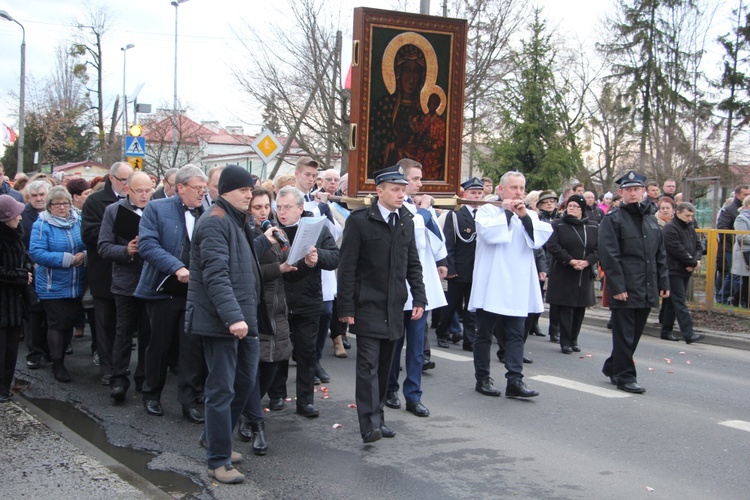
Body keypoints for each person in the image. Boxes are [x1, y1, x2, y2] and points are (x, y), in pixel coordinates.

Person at [186, 165, 276, 484]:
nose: (249, 195)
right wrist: (233, 317)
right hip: (222, 322)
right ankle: (218, 460)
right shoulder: (215, 222)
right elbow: (215, 275)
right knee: (221, 388)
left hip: (244, 320)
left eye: (251, 190)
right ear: (224, 192)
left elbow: (244, 267)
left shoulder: (237, 221)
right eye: (243, 191)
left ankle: (214, 438)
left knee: (242, 383)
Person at [337, 165, 426, 443]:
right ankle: (369, 424)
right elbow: (347, 266)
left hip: (395, 305)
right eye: (396, 190)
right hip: (367, 304)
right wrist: (346, 307)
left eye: (403, 190)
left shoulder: (406, 221)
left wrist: (420, 296)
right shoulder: (360, 220)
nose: (402, 195)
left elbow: (413, 263)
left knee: (387, 367)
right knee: (367, 367)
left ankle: (380, 416)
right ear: (379, 191)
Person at [468, 171, 552, 399]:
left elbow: (540, 239)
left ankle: (515, 380)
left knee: (516, 333)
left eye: (521, 189)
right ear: (500, 190)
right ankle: (482, 378)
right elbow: (490, 234)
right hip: (492, 283)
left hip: (517, 284)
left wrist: (524, 216)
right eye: (513, 188)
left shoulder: (530, 215)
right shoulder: (487, 211)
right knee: (484, 333)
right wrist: (506, 213)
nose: (518, 193)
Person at [135, 164, 207, 422]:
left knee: (191, 348)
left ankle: (189, 402)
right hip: (163, 289)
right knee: (160, 345)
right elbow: (147, 245)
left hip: (195, 291)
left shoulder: (207, 211)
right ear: (180, 188)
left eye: (204, 189)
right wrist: (176, 266)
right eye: (198, 189)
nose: (202, 193)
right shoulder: (156, 208)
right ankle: (151, 394)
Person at [268, 186, 339, 418]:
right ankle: (277, 394)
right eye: (279, 207)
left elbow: (335, 257)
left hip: (308, 299)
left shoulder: (316, 227)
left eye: (287, 207)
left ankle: (305, 401)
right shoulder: (271, 229)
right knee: (279, 350)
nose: (282, 212)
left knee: (307, 353)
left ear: (300, 208)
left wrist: (318, 256)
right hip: (279, 299)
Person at [385, 159, 446, 418]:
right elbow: (407, 228)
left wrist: (443, 262)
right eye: (415, 179)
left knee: (417, 348)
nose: (420, 184)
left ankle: (414, 395)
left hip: (420, 288)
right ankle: (389, 389)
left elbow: (437, 243)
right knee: (394, 345)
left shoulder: (421, 210)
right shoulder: (395, 208)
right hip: (399, 286)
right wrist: (423, 211)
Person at [599, 171, 669, 394]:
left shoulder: (650, 220)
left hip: (646, 286)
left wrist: (663, 282)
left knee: (635, 334)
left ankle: (613, 365)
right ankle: (625, 376)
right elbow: (609, 256)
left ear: (643, 192)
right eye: (628, 190)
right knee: (624, 334)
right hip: (625, 288)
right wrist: (617, 287)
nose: (633, 193)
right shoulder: (613, 220)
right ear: (621, 193)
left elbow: (660, 254)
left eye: (636, 189)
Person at [238, 187, 295, 454]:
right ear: (249, 209)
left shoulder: (276, 230)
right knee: (253, 367)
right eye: (257, 207)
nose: (263, 212)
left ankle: (245, 412)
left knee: (273, 364)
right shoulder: (245, 232)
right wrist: (279, 269)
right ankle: (257, 424)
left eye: (266, 206)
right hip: (257, 307)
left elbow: (287, 262)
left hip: (279, 308)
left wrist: (303, 260)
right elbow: (245, 269)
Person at [98, 172, 154, 402]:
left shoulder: (157, 209)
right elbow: (103, 247)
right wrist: (126, 250)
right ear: (127, 190)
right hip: (125, 282)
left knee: (148, 334)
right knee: (123, 332)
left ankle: (144, 379)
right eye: (139, 191)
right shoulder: (114, 211)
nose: (144, 195)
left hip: (151, 281)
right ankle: (119, 379)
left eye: (148, 190)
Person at [81, 161, 134, 386]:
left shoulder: (136, 201)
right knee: (104, 323)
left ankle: (121, 367)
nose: (127, 185)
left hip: (129, 271)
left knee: (124, 325)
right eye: (124, 180)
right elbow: (89, 234)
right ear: (111, 179)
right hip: (104, 270)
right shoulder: (95, 201)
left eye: (130, 180)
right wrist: (118, 229)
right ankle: (107, 368)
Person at [29, 186, 87, 382]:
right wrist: (67, 259)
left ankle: (58, 356)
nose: (62, 207)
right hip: (52, 284)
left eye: (65, 203)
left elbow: (88, 244)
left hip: (75, 283)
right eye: (57, 204)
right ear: (49, 205)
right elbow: (37, 253)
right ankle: (57, 363)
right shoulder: (42, 224)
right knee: (57, 323)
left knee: (68, 322)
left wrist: (84, 256)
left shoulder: (78, 221)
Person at [545, 195, 599, 354]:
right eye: (570, 206)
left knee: (579, 308)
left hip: (584, 272)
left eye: (576, 206)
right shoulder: (558, 224)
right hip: (565, 271)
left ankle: (574, 339)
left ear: (582, 209)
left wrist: (588, 261)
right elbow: (552, 245)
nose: (572, 209)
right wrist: (570, 260)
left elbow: (598, 247)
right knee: (566, 308)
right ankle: (565, 341)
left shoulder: (593, 226)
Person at [435, 177, 483, 351]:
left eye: (479, 193)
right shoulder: (455, 215)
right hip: (459, 269)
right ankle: (442, 332)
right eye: (473, 192)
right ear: (465, 194)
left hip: (477, 269)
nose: (476, 196)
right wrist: (451, 267)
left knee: (472, 308)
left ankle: (469, 340)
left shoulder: (486, 216)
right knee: (451, 305)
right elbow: (448, 244)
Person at [0, 195, 33, 402]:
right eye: (15, 215)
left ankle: (5, 386)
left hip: (14, 303)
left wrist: (28, 267)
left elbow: (24, 256)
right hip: (3, 303)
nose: (20, 218)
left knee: (11, 349)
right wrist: (21, 275)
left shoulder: (14, 234)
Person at [661, 202, 705, 343]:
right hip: (673, 270)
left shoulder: (690, 228)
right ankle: (688, 333)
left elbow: (698, 247)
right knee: (679, 301)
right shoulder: (670, 228)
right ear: (678, 213)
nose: (690, 219)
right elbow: (676, 249)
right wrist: (691, 262)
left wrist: (695, 261)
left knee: (671, 302)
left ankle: (666, 330)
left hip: (685, 269)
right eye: (687, 215)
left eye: (691, 216)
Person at [21, 180, 51, 370]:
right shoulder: (23, 216)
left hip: (53, 271)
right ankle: (34, 353)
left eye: (42, 194)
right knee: (34, 315)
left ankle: (50, 350)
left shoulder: (55, 212)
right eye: (35, 195)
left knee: (51, 314)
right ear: (28, 198)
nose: (39, 198)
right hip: (31, 271)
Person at [716, 185, 749, 304]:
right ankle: (722, 298)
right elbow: (722, 228)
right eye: (745, 194)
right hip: (731, 247)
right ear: (737, 195)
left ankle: (734, 299)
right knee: (732, 273)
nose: (747, 196)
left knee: (735, 274)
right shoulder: (730, 209)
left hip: (742, 247)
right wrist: (735, 240)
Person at [535, 190, 561, 342]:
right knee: (538, 293)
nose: (550, 204)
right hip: (542, 259)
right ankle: (533, 322)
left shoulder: (560, 219)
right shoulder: (537, 218)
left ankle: (555, 329)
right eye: (547, 202)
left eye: (553, 201)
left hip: (557, 260)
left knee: (555, 297)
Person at [731, 196, 750, 307]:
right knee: (745, 281)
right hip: (745, 252)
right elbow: (742, 237)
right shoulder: (742, 218)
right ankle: (739, 301)